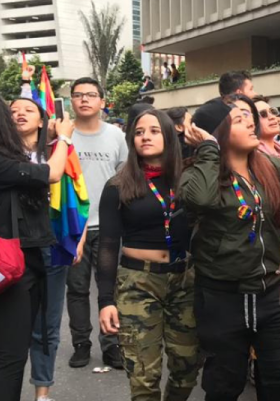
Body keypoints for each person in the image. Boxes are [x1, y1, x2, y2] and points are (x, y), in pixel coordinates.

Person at [180, 95, 280, 401]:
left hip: (273, 294)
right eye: (238, 119)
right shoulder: (198, 172)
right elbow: (200, 199)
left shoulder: (265, 166)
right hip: (223, 300)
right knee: (224, 384)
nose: (251, 121)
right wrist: (209, 150)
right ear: (217, 133)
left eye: (249, 116)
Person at [0, 93, 74, 401]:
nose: (12, 118)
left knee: (13, 353)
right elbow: (53, 173)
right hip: (8, 267)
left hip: (12, 264)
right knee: (11, 356)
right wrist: (65, 140)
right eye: (6, 114)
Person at [96, 108, 199, 401]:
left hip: (185, 281)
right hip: (137, 283)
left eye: (154, 130)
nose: (145, 137)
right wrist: (106, 301)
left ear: (169, 135)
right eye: (139, 132)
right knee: (143, 374)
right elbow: (107, 246)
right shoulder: (117, 185)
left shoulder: (189, 179)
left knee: (187, 366)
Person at [66, 77, 129, 369]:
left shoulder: (116, 135)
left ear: (102, 102)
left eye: (91, 95)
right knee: (77, 289)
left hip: (108, 228)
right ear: (71, 101)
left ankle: (111, 344)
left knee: (111, 288)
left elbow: (125, 176)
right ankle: (81, 343)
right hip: (73, 226)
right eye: (78, 95)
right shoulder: (63, 135)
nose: (84, 100)